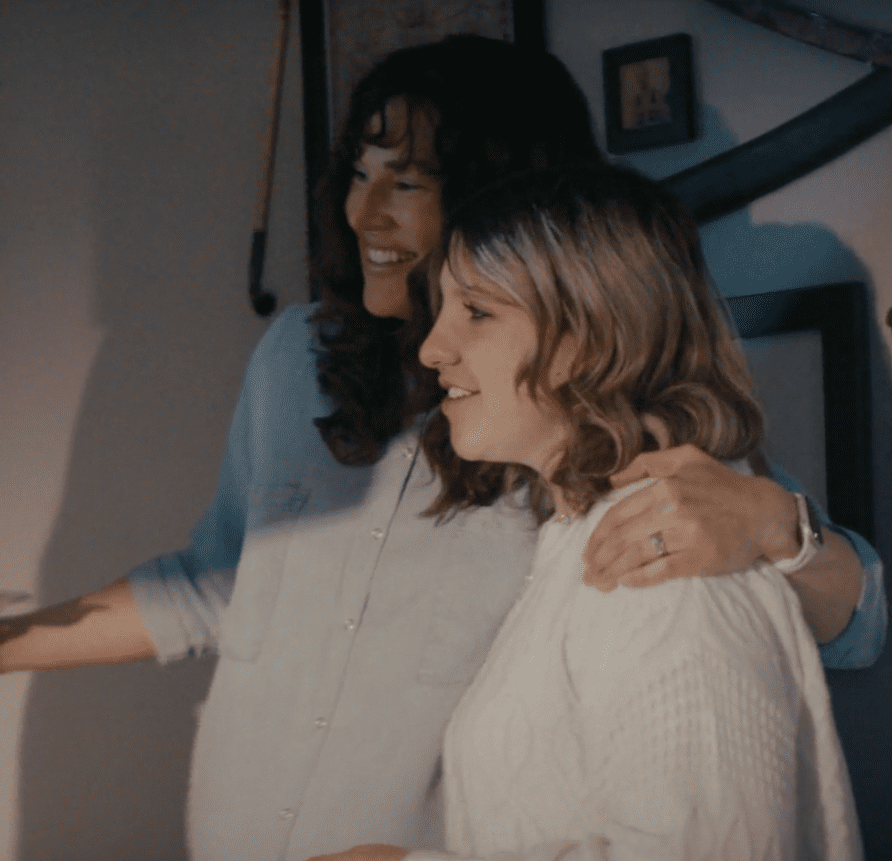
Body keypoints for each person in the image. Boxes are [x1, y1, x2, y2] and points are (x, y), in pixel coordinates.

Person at [0, 36, 885, 859]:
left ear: (508, 203)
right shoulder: (294, 358)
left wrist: (782, 531)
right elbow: (221, 584)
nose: (363, 211)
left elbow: (842, 627)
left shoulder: (597, 441)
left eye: (411, 181)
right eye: (359, 170)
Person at [315, 164, 860, 861]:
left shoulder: (666, 567)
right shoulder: (579, 534)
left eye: (476, 312)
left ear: (593, 337)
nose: (431, 349)